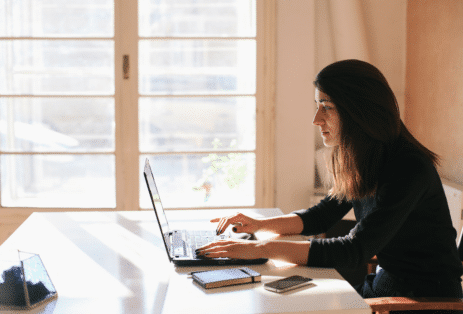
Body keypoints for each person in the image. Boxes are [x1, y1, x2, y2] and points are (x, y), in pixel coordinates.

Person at [195, 59, 463, 300]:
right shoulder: (364, 157)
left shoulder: (407, 167)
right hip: (386, 287)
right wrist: (258, 225)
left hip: (422, 301)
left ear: (359, 111)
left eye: (327, 107)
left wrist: (259, 250)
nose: (316, 119)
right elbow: (321, 216)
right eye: (317, 106)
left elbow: (354, 249)